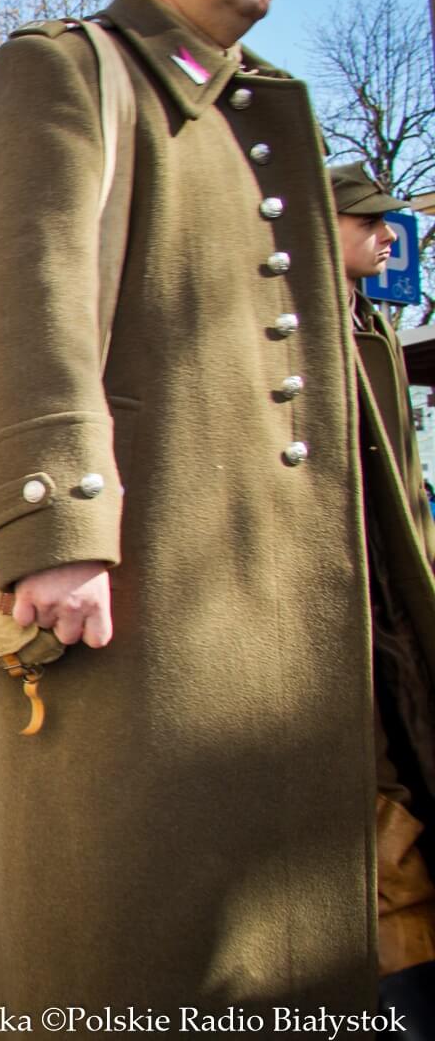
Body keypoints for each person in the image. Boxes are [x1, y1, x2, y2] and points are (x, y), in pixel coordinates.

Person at [0, 0, 385, 1013]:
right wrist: (56, 530)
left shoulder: (266, 103)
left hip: (262, 581)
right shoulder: (67, 72)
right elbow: (19, 300)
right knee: (116, 915)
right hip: (139, 584)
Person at [330, 160, 435, 1021]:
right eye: (368, 220)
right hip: (334, 607)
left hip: (388, 599)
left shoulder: (374, 332)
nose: (388, 233)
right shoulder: (302, 329)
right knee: (378, 793)